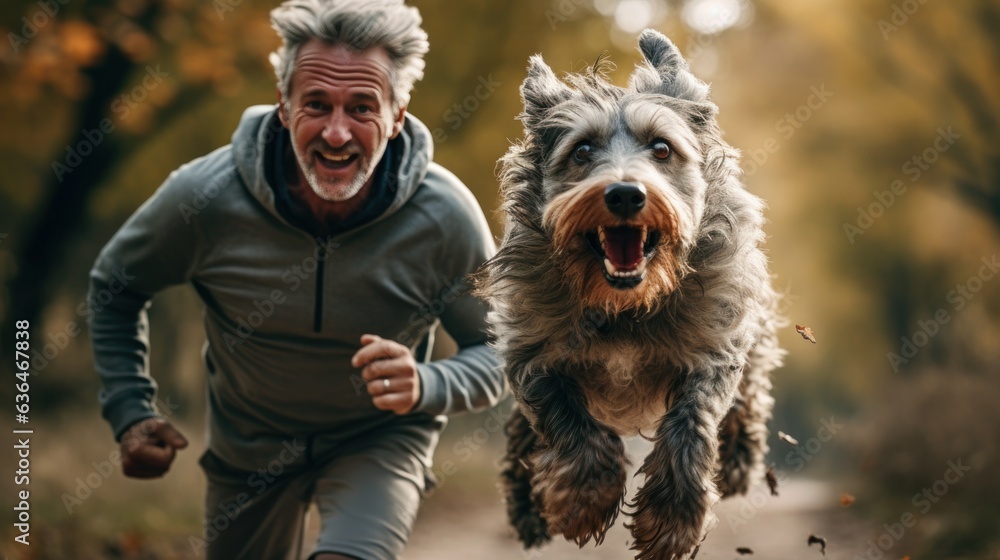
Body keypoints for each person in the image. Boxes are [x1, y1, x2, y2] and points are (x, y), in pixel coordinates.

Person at [87, 1, 503, 558]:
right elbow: (114, 286)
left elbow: (501, 349)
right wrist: (131, 412)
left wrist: (427, 385)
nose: (336, 133)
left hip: (377, 440)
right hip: (249, 450)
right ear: (283, 107)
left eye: (362, 107)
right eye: (316, 105)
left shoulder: (445, 217)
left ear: (398, 114)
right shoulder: (204, 198)